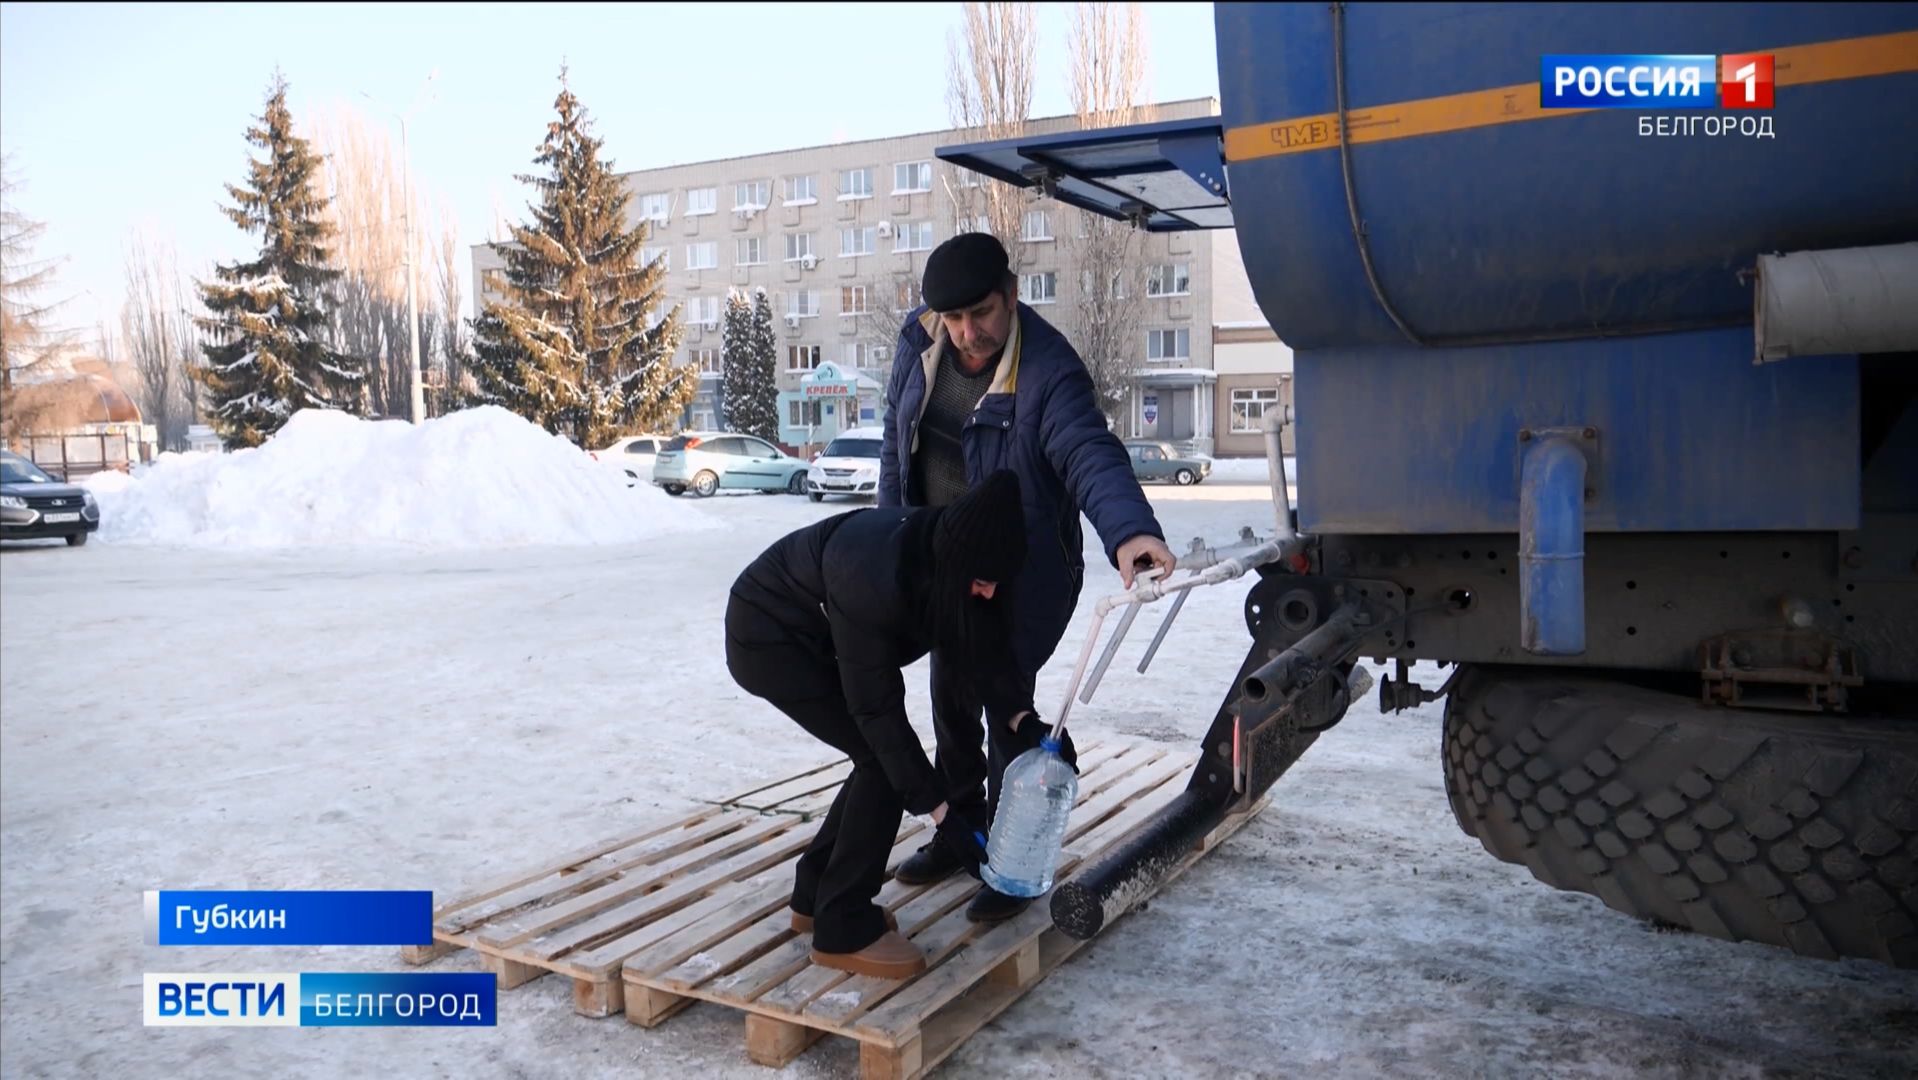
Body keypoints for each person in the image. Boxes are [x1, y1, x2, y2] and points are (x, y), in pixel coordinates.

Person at [877, 231, 1179, 922]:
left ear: (1012, 295)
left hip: (1024, 567)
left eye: (981, 313)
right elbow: (899, 448)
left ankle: (1014, 866)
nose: (966, 333)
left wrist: (1129, 530)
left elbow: (1086, 450)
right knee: (948, 693)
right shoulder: (918, 342)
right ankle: (961, 834)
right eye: (952, 319)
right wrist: (885, 541)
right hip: (939, 558)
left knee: (1002, 698)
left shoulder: (1048, 370)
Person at [724, 470, 1054, 979]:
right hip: (768, 637)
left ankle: (815, 895)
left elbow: (984, 653)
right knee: (882, 761)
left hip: (817, 633)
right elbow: (878, 714)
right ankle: (842, 927)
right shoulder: (875, 576)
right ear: (959, 566)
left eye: (997, 583)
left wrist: (1024, 721)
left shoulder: (956, 565)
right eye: (983, 582)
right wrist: (943, 815)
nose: (989, 594)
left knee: (877, 760)